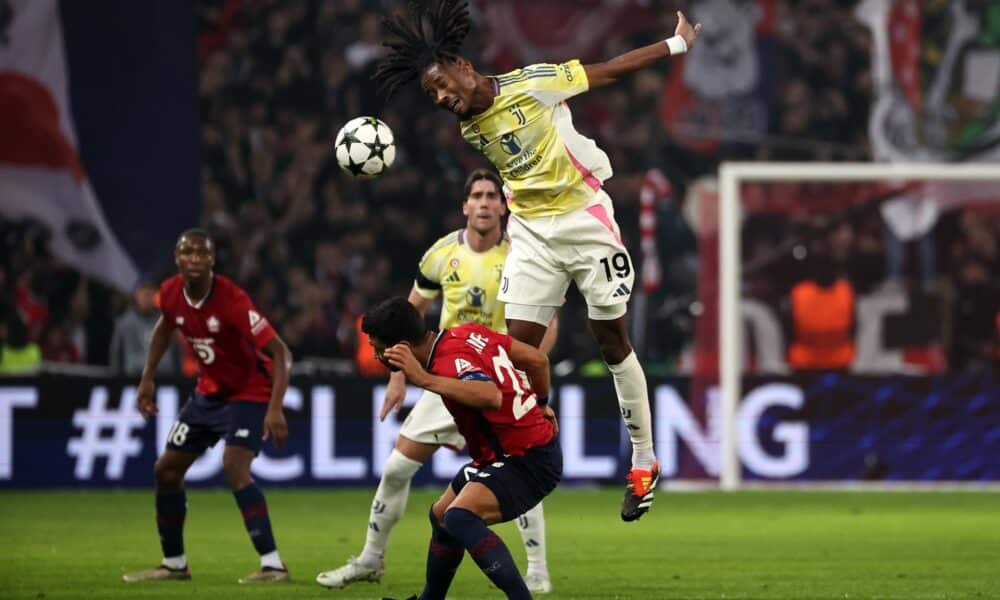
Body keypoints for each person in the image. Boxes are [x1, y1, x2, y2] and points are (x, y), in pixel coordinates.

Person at [374, 0, 702, 521]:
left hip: (585, 219)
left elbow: (611, 70)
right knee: (512, 353)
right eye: (431, 95)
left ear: (463, 67)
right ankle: (509, 450)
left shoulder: (533, 82)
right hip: (531, 234)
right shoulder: (469, 129)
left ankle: (644, 460)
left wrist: (677, 43)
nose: (441, 97)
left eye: (442, 84)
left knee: (611, 340)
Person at [317, 169, 558, 593]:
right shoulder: (441, 254)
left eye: (491, 196)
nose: (484, 203)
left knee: (509, 467)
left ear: (503, 206)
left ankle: (536, 570)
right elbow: (408, 313)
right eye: (476, 196)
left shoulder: (523, 255)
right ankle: (372, 558)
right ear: (465, 205)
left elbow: (544, 325)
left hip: (484, 376)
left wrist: (529, 390)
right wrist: (400, 377)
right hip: (441, 369)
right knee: (399, 469)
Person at [122, 229, 293, 584]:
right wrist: (148, 376)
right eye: (188, 253)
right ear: (177, 259)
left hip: (248, 393)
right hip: (207, 395)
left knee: (234, 466)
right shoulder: (169, 292)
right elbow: (164, 328)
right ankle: (174, 564)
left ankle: (273, 565)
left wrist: (275, 408)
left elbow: (280, 353)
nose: (195, 259)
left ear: (212, 260)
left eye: (203, 254)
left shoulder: (232, 300)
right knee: (165, 470)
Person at [362, 296, 560, 600]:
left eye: (379, 349)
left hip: (526, 458)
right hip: (508, 453)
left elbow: (489, 396)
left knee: (460, 516)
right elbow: (537, 360)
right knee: (442, 516)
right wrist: (543, 404)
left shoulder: (445, 362)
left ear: (401, 347)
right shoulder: (466, 332)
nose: (377, 356)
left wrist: (425, 379)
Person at [110, 280, 180, 375]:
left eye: (150, 291)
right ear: (135, 294)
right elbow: (116, 358)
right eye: (143, 291)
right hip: (132, 380)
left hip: (164, 379)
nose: (147, 296)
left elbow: (176, 355)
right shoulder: (124, 323)